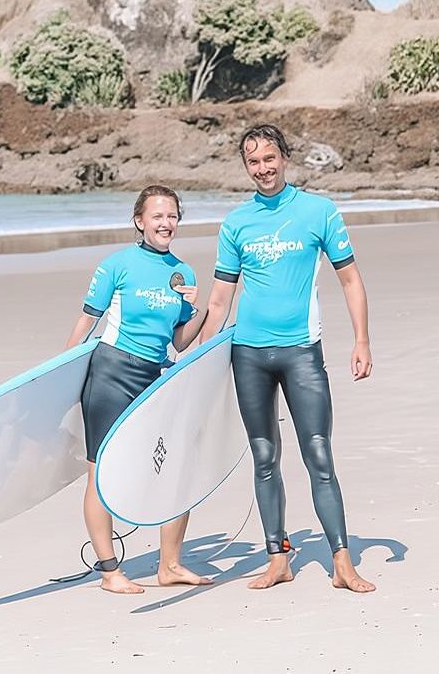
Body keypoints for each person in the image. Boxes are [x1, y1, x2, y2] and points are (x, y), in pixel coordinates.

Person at [197, 124, 376, 593]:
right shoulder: (236, 223)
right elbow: (219, 302)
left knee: (319, 454)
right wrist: (195, 361)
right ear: (246, 166)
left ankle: (342, 561)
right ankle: (277, 557)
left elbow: (351, 280)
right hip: (249, 355)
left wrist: (362, 341)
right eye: (253, 162)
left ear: (285, 158)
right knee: (263, 456)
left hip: (301, 352)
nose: (263, 169)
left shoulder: (318, 211)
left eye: (270, 159)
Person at [64, 185, 211, 594]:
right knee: (100, 474)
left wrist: (196, 309)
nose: (166, 223)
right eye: (157, 216)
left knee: (176, 465)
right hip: (110, 373)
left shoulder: (183, 274)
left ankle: (170, 565)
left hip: (154, 375)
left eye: (172, 216)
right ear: (139, 221)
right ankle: (110, 571)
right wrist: (56, 378)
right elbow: (85, 323)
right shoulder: (116, 265)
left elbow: (180, 342)